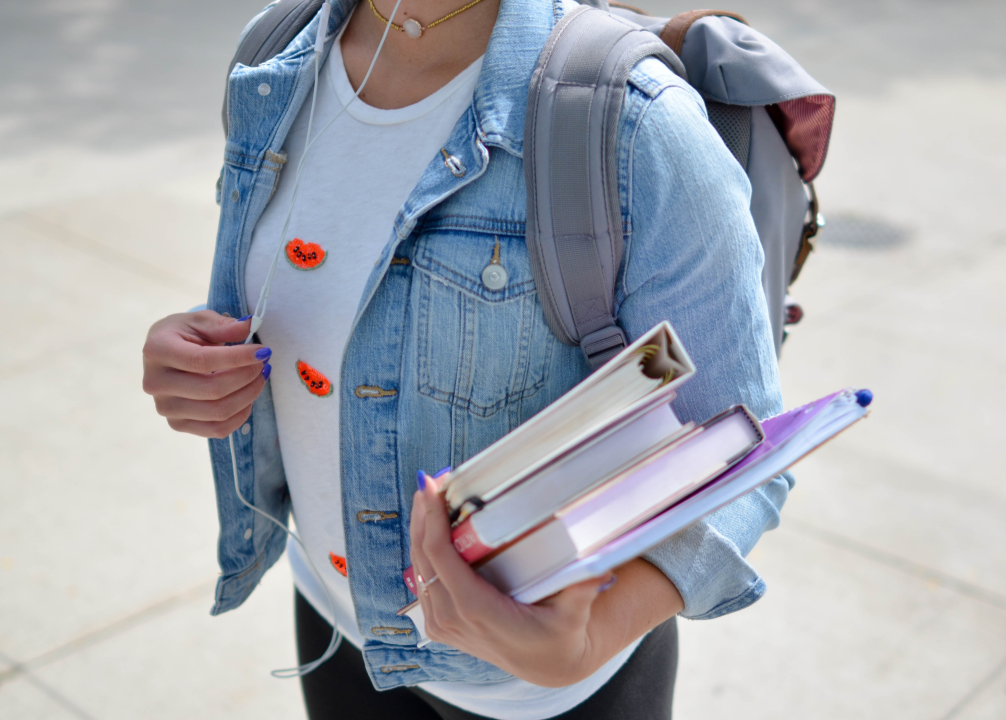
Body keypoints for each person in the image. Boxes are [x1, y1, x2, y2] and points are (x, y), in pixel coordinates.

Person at [141, 0, 791, 717]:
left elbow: (740, 445)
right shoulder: (274, 56)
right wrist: (198, 365)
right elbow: (294, 301)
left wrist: (590, 636)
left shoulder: (634, 122)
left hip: (544, 694)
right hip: (335, 620)